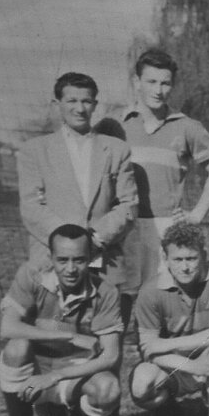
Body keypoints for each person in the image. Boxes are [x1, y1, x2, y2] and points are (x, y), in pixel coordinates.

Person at [0, 224, 123, 416]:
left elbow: (110, 357)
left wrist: (57, 376)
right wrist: (68, 336)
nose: (71, 269)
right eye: (63, 260)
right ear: (50, 257)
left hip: (70, 374)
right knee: (16, 347)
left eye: (79, 260)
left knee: (109, 390)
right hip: (34, 373)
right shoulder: (31, 276)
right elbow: (8, 328)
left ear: (92, 258)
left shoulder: (105, 292)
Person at [119, 49, 209, 311]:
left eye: (165, 83)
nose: (159, 90)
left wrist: (197, 213)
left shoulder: (187, 126)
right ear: (137, 83)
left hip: (166, 229)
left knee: (163, 304)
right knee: (121, 305)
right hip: (125, 227)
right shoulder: (117, 124)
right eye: (151, 82)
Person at [18, 72, 137, 288]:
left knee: (108, 321)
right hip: (51, 263)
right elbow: (31, 207)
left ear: (95, 104)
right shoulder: (34, 151)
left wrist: (97, 238)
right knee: (52, 322)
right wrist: (68, 244)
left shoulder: (117, 149)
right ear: (57, 104)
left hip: (104, 262)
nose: (80, 109)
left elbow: (129, 205)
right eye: (72, 101)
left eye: (86, 101)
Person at [128, 222, 209, 416]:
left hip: (208, 355)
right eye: (178, 260)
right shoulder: (150, 292)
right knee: (141, 384)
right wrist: (193, 366)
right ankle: (166, 414)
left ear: (203, 255)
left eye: (191, 258)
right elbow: (149, 350)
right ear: (165, 258)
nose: (185, 267)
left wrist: (167, 344)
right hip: (174, 365)